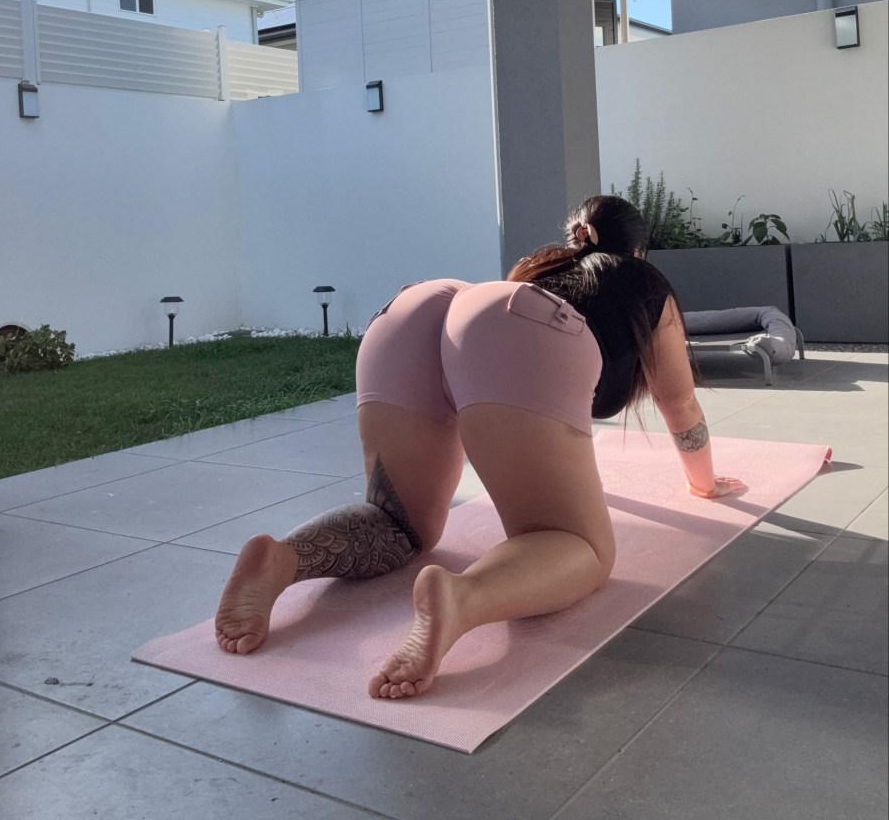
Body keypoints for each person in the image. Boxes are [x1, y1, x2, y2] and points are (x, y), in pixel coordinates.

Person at [214, 195, 745, 699]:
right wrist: (704, 482)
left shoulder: (539, 269)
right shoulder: (643, 283)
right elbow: (679, 404)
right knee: (576, 544)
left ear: (575, 236)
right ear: (639, 250)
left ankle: (285, 558)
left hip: (418, 310)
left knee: (399, 524)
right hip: (520, 329)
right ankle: (462, 599)